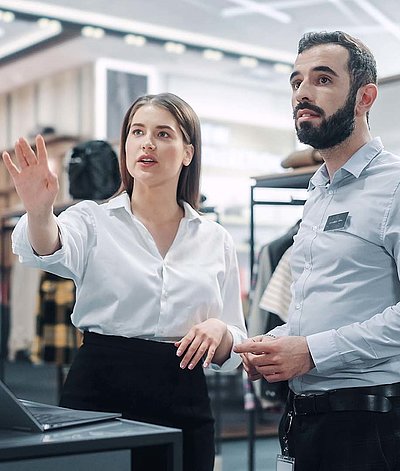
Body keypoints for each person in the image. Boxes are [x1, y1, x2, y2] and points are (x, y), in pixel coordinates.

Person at [3, 92, 247, 471]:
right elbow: (47, 247)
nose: (147, 142)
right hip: (100, 390)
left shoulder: (215, 239)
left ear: (187, 152)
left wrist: (221, 332)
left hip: (184, 395)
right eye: (137, 131)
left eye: (163, 134)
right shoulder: (92, 220)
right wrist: (38, 212)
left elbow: (236, 340)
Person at [235, 31, 400, 471]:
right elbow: (329, 304)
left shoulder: (395, 185)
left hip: (370, 427)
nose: (303, 93)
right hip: (304, 419)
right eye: (296, 82)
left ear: (365, 97)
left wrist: (312, 351)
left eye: (322, 80)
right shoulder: (318, 189)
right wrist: (276, 342)